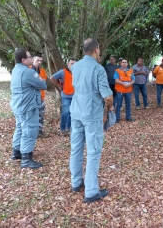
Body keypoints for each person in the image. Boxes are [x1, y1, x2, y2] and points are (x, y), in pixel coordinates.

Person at [69, 38, 113, 203]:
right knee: (93, 151)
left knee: (76, 148)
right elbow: (107, 96)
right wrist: (110, 108)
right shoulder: (98, 69)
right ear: (96, 50)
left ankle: (76, 182)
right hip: (91, 114)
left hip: (76, 111)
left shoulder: (75, 67)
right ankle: (91, 191)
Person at [10, 48, 47, 169]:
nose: (32, 59)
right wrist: (39, 79)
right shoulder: (28, 72)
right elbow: (43, 84)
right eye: (30, 57)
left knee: (20, 128)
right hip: (28, 106)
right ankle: (26, 159)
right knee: (30, 131)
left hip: (18, 105)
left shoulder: (15, 70)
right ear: (23, 60)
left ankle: (16, 152)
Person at [50, 58, 77, 137]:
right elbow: (52, 78)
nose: (73, 65)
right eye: (72, 63)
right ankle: (62, 129)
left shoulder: (77, 72)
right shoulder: (63, 72)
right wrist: (59, 86)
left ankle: (69, 128)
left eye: (75, 63)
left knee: (72, 113)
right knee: (65, 112)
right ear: (67, 64)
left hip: (75, 95)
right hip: (66, 95)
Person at [31, 53, 48, 138]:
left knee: (41, 114)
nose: (39, 62)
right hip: (31, 98)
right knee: (31, 115)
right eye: (37, 60)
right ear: (32, 60)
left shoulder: (43, 72)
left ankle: (39, 131)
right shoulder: (28, 70)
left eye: (41, 61)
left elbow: (43, 84)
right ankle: (32, 132)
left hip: (40, 97)